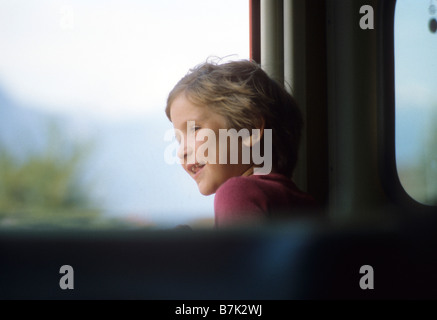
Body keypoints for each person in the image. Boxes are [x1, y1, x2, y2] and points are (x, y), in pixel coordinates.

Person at [165, 59, 315, 227]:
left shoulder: (237, 193)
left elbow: (240, 254)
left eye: (195, 129)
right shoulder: (296, 202)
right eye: (179, 140)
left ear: (249, 128)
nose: (181, 152)